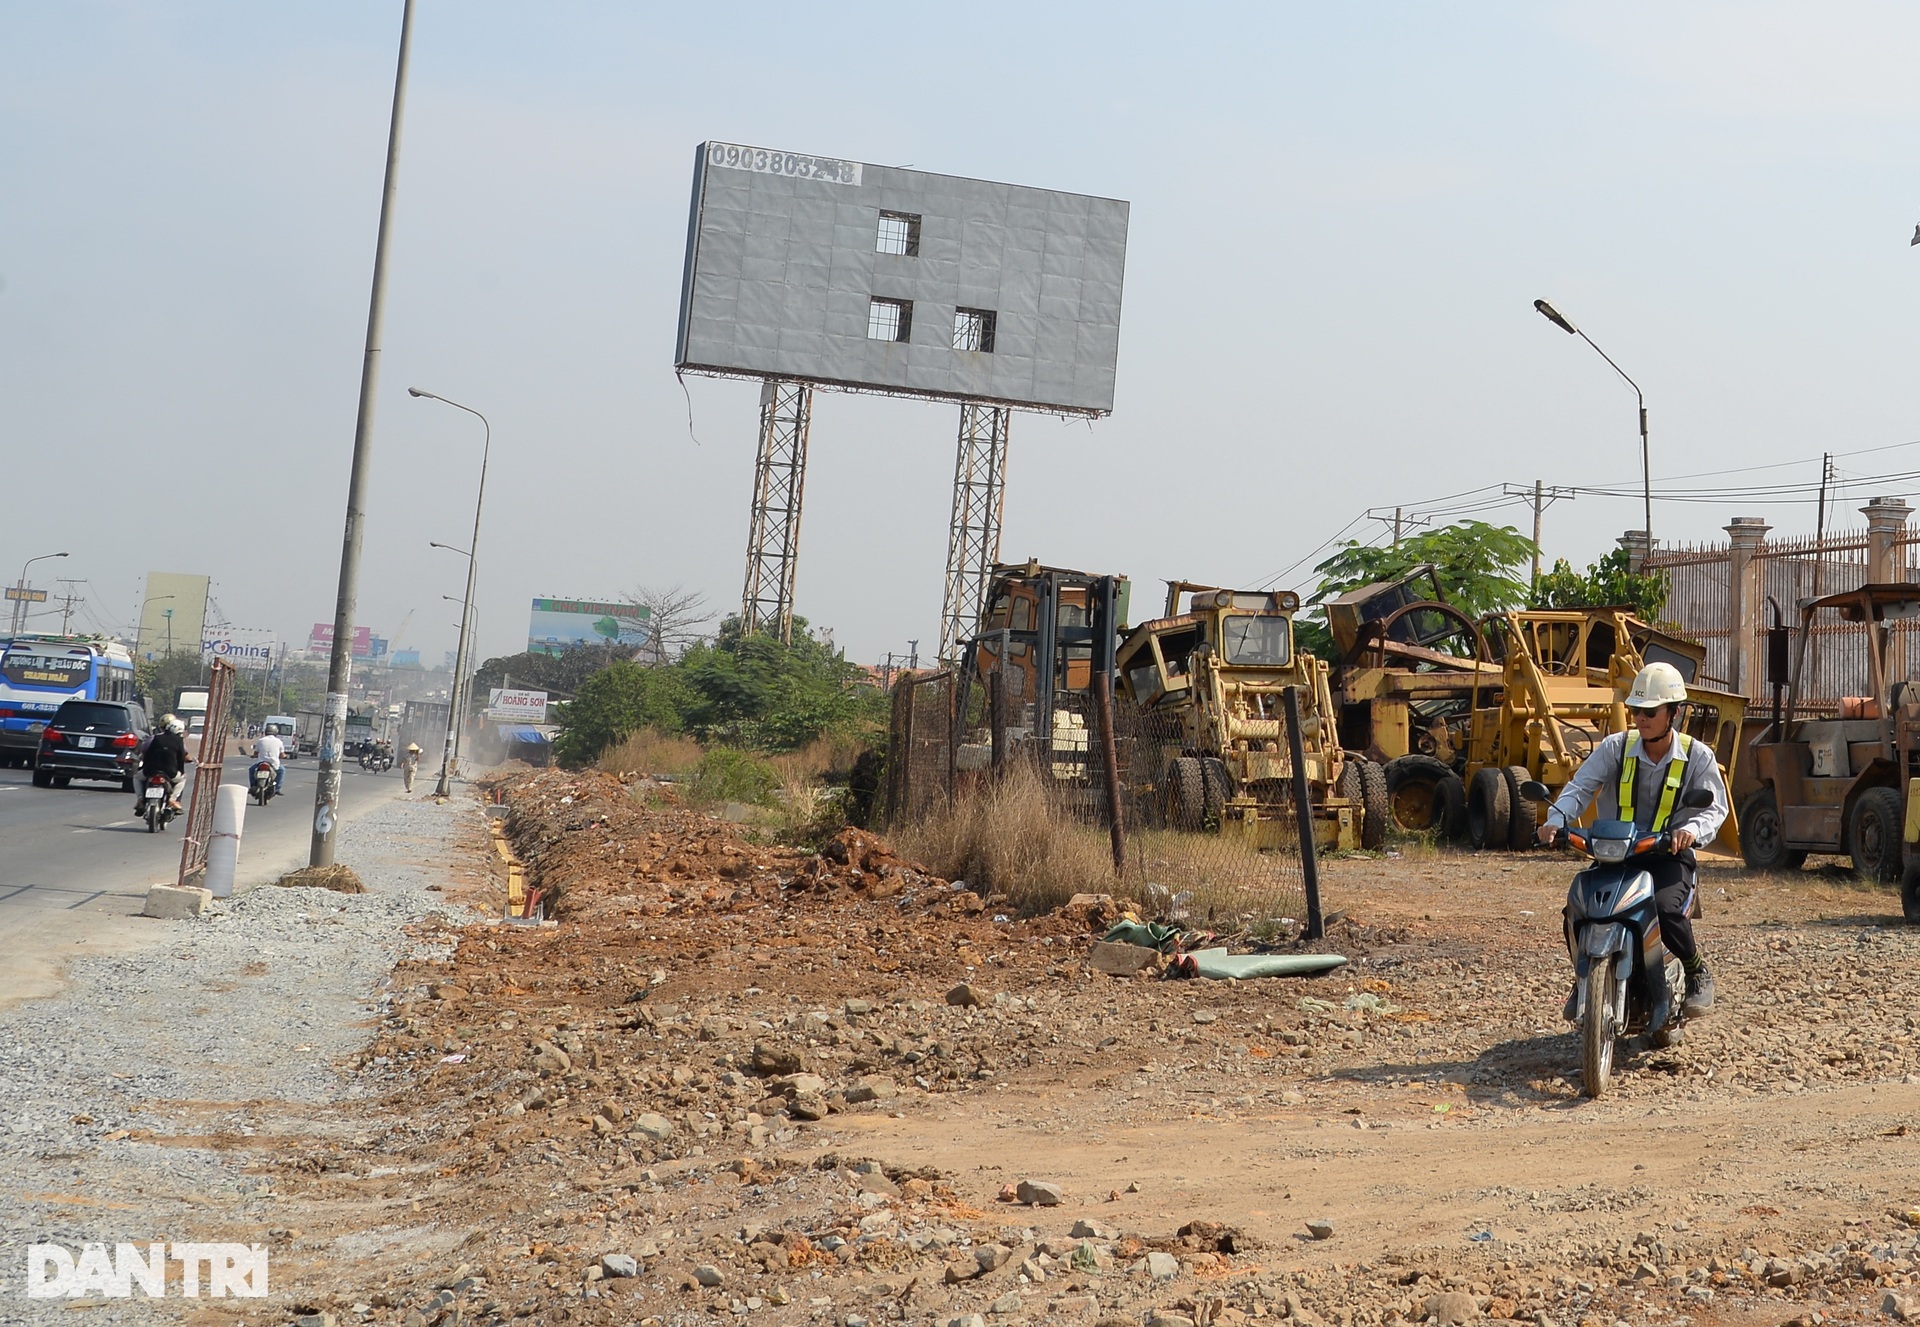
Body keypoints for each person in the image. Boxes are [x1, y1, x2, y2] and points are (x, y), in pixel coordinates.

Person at [1537, 661, 1726, 1019]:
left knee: (1667, 910)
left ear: (1673, 713)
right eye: (1636, 710)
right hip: (1617, 855)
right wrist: (1555, 820)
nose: (1641, 718)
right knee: (1575, 910)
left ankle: (1696, 970)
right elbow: (1580, 787)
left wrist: (1691, 832)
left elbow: (1714, 810)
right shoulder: (1615, 747)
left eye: (1650, 711)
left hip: (1669, 854)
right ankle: (1584, 981)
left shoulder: (1698, 756)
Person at [138, 714, 192, 813]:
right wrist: (181, 771)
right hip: (170, 772)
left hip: (151, 769)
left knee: (137, 777)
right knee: (182, 779)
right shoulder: (179, 741)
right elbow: (181, 758)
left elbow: (147, 753)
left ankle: (141, 799)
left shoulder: (155, 738)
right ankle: (173, 799)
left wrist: (145, 767)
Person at [252, 726, 286, 795]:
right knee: (282, 771)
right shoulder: (279, 742)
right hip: (273, 764)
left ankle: (253, 786)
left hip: (260, 763)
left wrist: (254, 756)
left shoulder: (261, 740)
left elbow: (256, 753)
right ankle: (277, 789)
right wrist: (284, 756)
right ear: (276, 732)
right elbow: (282, 755)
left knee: (251, 770)